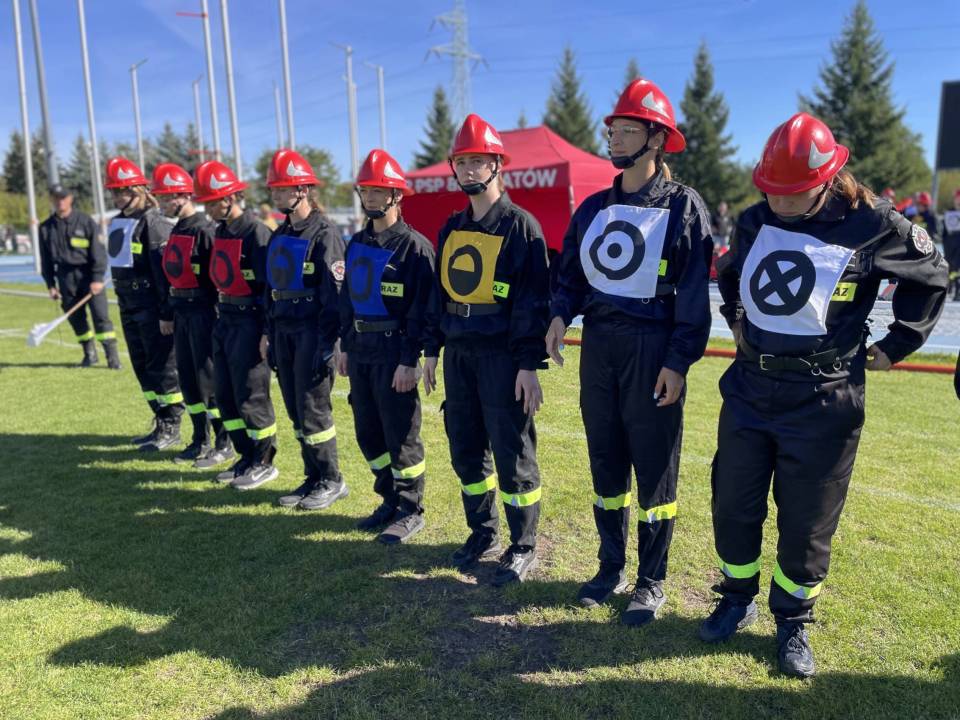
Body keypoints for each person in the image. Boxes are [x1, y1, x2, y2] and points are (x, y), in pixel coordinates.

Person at [700, 112, 948, 678]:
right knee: (733, 502)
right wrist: (735, 318)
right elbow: (731, 273)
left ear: (826, 179)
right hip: (750, 387)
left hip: (825, 396)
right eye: (771, 190)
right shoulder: (755, 219)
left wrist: (898, 343)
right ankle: (735, 597)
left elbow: (931, 272)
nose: (779, 202)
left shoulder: (872, 223)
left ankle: (793, 620)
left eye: (792, 192)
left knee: (808, 520)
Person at [546, 78, 713, 623]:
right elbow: (570, 276)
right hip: (600, 347)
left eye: (626, 130)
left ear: (657, 138)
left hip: (652, 348)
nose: (614, 139)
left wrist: (678, 361)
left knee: (655, 468)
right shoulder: (595, 207)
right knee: (605, 459)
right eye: (613, 130)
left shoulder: (684, 206)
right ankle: (610, 566)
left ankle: (651, 580)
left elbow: (693, 294)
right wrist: (558, 314)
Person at [423, 113, 550, 586]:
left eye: (478, 161)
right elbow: (439, 295)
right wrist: (431, 350)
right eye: (462, 162)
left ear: (498, 165)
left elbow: (533, 303)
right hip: (459, 356)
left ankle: (523, 544)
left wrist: (528, 365)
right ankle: (483, 532)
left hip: (502, 358)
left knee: (512, 451)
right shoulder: (451, 227)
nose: (469, 170)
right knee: (466, 448)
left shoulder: (521, 228)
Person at [337, 149, 435, 544]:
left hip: (395, 354)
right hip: (360, 350)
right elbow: (347, 298)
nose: (370, 197)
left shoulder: (415, 247)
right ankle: (389, 499)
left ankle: (411, 509)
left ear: (396, 195)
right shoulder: (356, 242)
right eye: (366, 190)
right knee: (368, 433)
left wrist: (410, 360)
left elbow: (422, 311)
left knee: (401, 435)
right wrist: (344, 343)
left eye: (378, 190)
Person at [262, 149, 347, 504]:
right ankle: (312, 476)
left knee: (313, 408)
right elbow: (270, 289)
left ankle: (331, 479)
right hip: (283, 333)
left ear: (303, 190)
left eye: (283, 189)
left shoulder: (325, 234)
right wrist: (268, 333)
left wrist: (329, 343)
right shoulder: (279, 234)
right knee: (295, 408)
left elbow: (336, 296)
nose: (276, 195)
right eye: (274, 189)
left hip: (313, 333)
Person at [194, 160, 276, 478]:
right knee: (225, 393)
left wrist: (266, 331)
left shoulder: (256, 233)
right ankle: (245, 455)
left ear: (229, 199)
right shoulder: (221, 230)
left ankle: (264, 460)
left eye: (212, 203)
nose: (208, 210)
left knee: (251, 394)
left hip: (249, 322)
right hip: (225, 319)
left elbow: (269, 288)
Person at [104, 157, 184, 451]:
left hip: (151, 306)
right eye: (114, 191)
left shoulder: (154, 222)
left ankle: (171, 424)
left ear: (137, 189)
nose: (117, 196)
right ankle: (160, 419)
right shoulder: (117, 222)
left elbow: (164, 275)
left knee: (162, 368)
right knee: (142, 368)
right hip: (128, 304)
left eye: (122, 190)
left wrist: (165, 312)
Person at [153, 162, 230, 465]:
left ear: (183, 196)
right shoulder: (177, 229)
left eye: (165, 198)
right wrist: (169, 313)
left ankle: (223, 442)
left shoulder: (204, 230)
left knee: (209, 380)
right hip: (182, 314)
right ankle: (200, 439)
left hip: (204, 314)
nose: (161, 203)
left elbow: (219, 277)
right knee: (188, 380)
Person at [38, 185, 120, 368]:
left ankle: (112, 357)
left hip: (89, 275)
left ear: (70, 199)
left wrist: (97, 278)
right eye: (56, 198)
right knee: (75, 318)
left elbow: (98, 252)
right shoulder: (45, 228)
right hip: (65, 278)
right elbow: (45, 261)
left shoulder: (85, 221)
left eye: (63, 197)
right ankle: (89, 353)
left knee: (101, 316)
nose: (60, 201)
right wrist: (51, 285)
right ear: (51, 200)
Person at [942, 189, 960, 301]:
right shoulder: (950, 213)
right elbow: (944, 233)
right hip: (950, 245)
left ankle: (957, 291)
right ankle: (952, 289)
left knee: (957, 269)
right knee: (952, 269)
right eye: (957, 199)